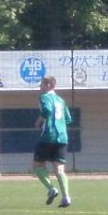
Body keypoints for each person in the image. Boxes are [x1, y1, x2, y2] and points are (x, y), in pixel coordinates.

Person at [33, 76, 72, 207]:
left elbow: (48, 110)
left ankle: (51, 189)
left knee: (37, 165)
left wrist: (40, 120)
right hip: (62, 138)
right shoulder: (61, 100)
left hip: (48, 136)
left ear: (49, 85)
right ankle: (66, 197)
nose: (40, 87)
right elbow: (68, 119)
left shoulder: (45, 97)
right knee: (59, 169)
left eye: (42, 85)